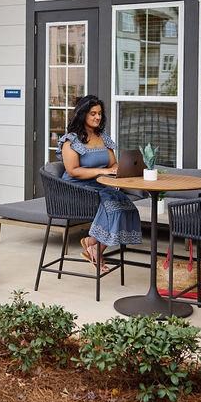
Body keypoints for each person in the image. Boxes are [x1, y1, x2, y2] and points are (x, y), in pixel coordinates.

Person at [58, 95, 142, 271]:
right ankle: (94, 246)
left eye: (100, 114)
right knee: (114, 206)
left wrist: (119, 169)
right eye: (93, 113)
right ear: (82, 115)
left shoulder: (103, 137)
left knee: (128, 206)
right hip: (77, 189)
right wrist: (102, 171)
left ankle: (94, 246)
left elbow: (113, 163)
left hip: (100, 186)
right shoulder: (71, 141)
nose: (97, 117)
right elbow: (73, 170)